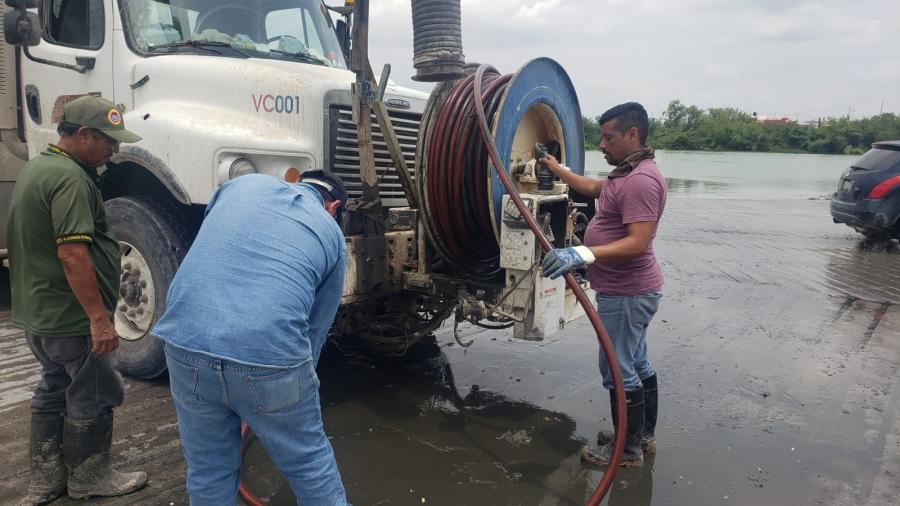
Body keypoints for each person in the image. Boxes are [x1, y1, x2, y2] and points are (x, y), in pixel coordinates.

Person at [150, 170, 349, 505]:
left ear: (297, 182)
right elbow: (315, 331)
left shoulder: (241, 185)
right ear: (334, 207)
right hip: (268, 357)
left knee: (209, 468)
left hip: (183, 342)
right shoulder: (331, 232)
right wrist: (283, 393)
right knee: (308, 462)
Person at [7, 95, 147, 504]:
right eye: (109, 141)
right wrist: (100, 320)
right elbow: (72, 253)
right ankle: (89, 478)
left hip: (40, 314)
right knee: (93, 391)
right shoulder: (70, 180)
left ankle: (46, 478)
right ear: (83, 135)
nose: (114, 150)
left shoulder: (39, 168)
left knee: (53, 387)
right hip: (72, 318)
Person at [539, 102, 667, 468]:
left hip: (628, 293)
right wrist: (555, 168)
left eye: (608, 137)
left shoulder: (641, 180)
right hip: (632, 291)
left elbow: (638, 241)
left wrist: (583, 253)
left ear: (633, 135)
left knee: (617, 367)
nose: (601, 144)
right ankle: (641, 435)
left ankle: (627, 452)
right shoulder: (627, 173)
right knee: (636, 362)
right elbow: (594, 188)